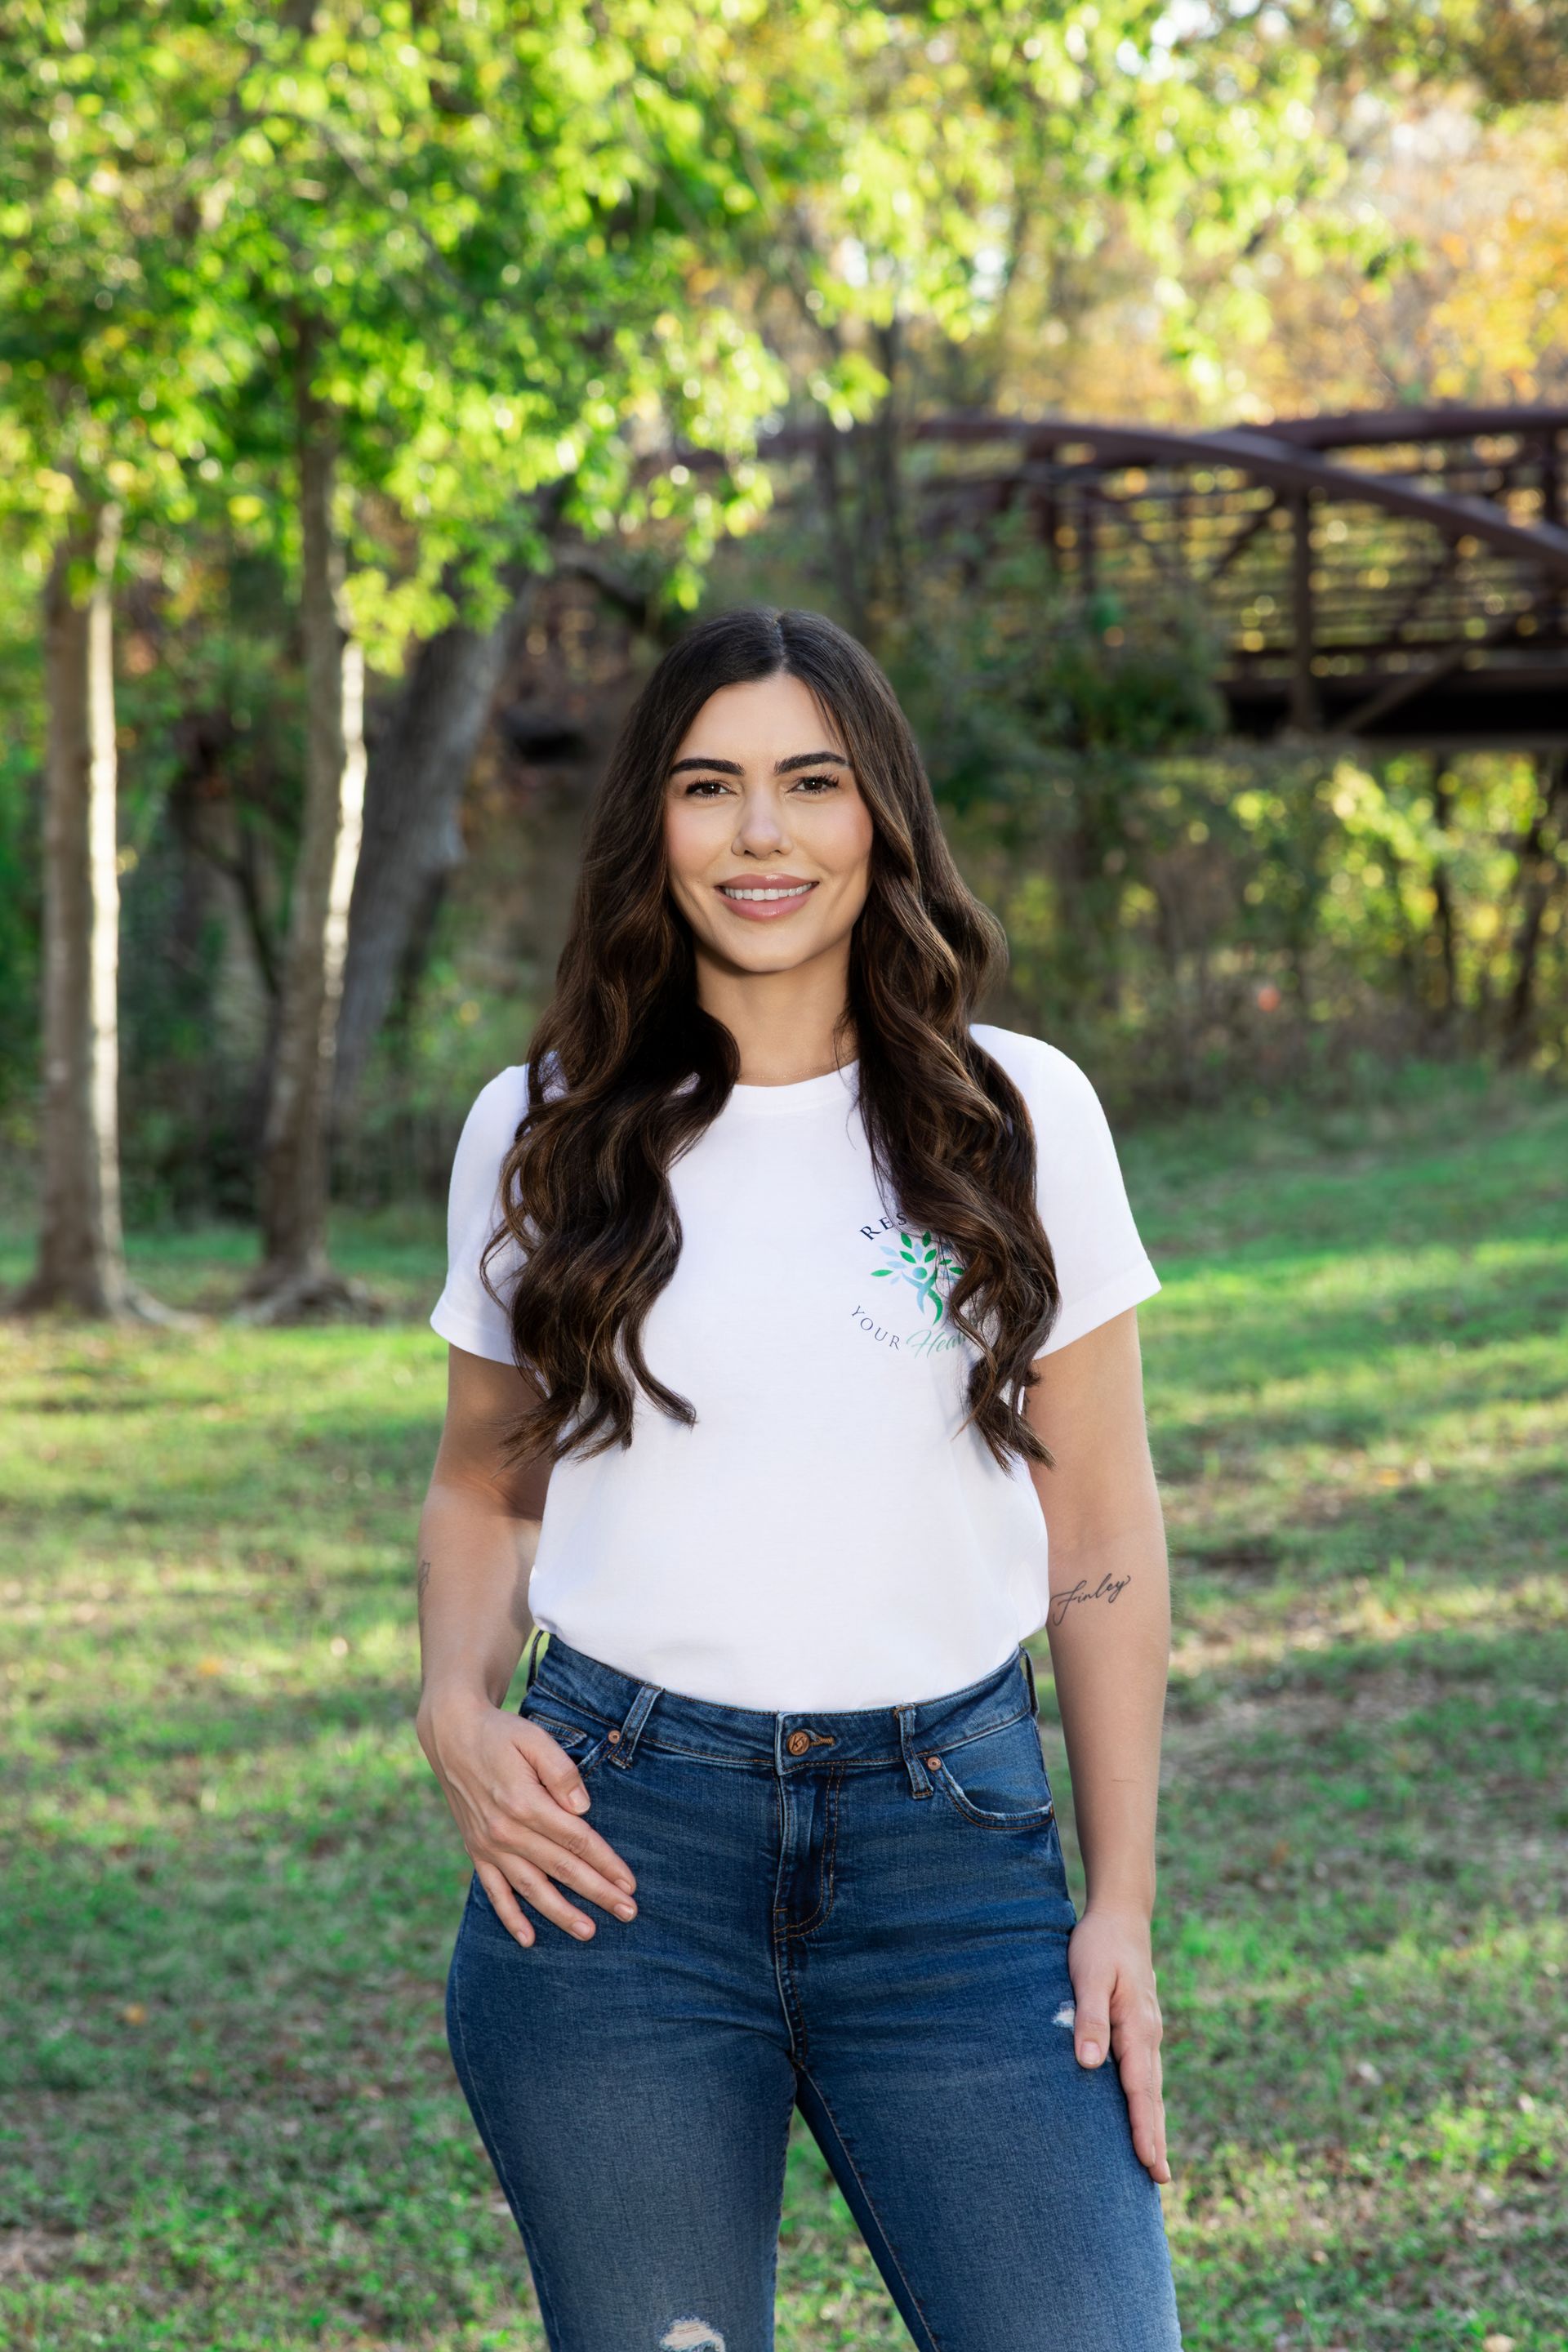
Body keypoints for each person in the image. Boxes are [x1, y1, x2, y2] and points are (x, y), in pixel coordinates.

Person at [415, 605, 1185, 2350]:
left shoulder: (1018, 1116)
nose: (761, 834)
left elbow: (1102, 1530)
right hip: (619, 1863)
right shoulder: (541, 1131)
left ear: (881, 813)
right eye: (710, 787)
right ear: (653, 823)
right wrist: (455, 1707)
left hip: (956, 1859)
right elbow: (484, 1489)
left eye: (812, 782)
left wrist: (1123, 1902)